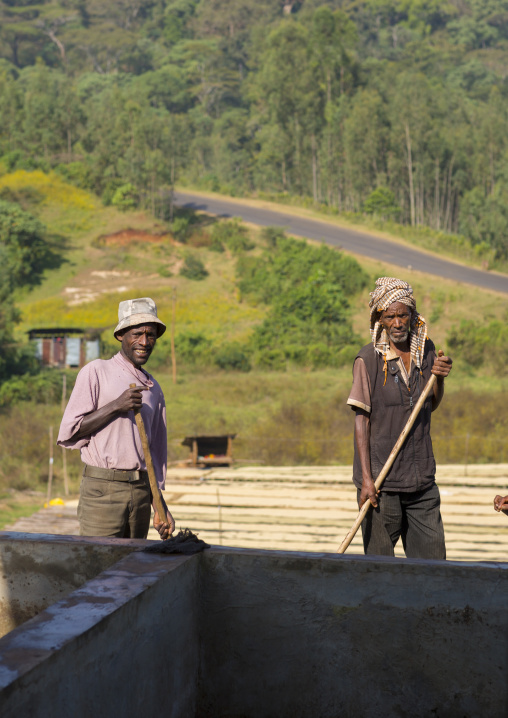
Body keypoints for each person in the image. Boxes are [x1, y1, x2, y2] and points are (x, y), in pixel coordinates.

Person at [346, 277, 452, 559]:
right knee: (381, 574)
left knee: (434, 570)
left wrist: (438, 378)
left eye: (402, 315)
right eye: (390, 316)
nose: (397, 323)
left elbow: (431, 404)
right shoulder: (368, 360)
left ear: (412, 316)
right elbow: (361, 420)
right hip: (381, 487)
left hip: (421, 484)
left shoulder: (426, 351)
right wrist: (366, 481)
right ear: (379, 319)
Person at [58, 297, 175, 540]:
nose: (144, 342)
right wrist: (116, 406)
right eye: (137, 333)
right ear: (121, 335)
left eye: (151, 334)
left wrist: (159, 505)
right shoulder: (96, 372)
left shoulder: (154, 388)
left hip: (142, 492)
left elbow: (152, 454)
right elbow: (72, 431)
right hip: (103, 490)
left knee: (131, 571)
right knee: (99, 568)